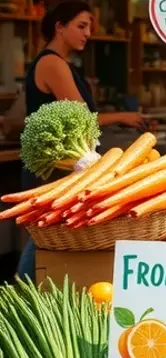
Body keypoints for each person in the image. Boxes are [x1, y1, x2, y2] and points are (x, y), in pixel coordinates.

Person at [18, 0, 145, 279]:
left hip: (58, 164)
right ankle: (22, 287)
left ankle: (31, 287)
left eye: (89, 27)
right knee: (47, 233)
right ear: (59, 27)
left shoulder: (56, 62)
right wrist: (123, 116)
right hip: (54, 167)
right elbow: (83, 117)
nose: (87, 33)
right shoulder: (52, 63)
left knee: (50, 233)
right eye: (81, 26)